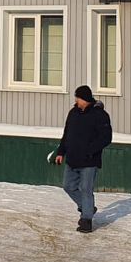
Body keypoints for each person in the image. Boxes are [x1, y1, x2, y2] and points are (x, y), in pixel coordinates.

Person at [47, 85, 112, 233]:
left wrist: (90, 151)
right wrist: (61, 152)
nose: (76, 100)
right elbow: (66, 134)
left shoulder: (100, 115)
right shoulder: (73, 113)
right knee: (68, 186)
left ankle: (86, 221)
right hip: (72, 159)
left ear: (85, 99)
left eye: (78, 98)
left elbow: (106, 138)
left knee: (86, 189)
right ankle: (87, 207)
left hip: (89, 161)